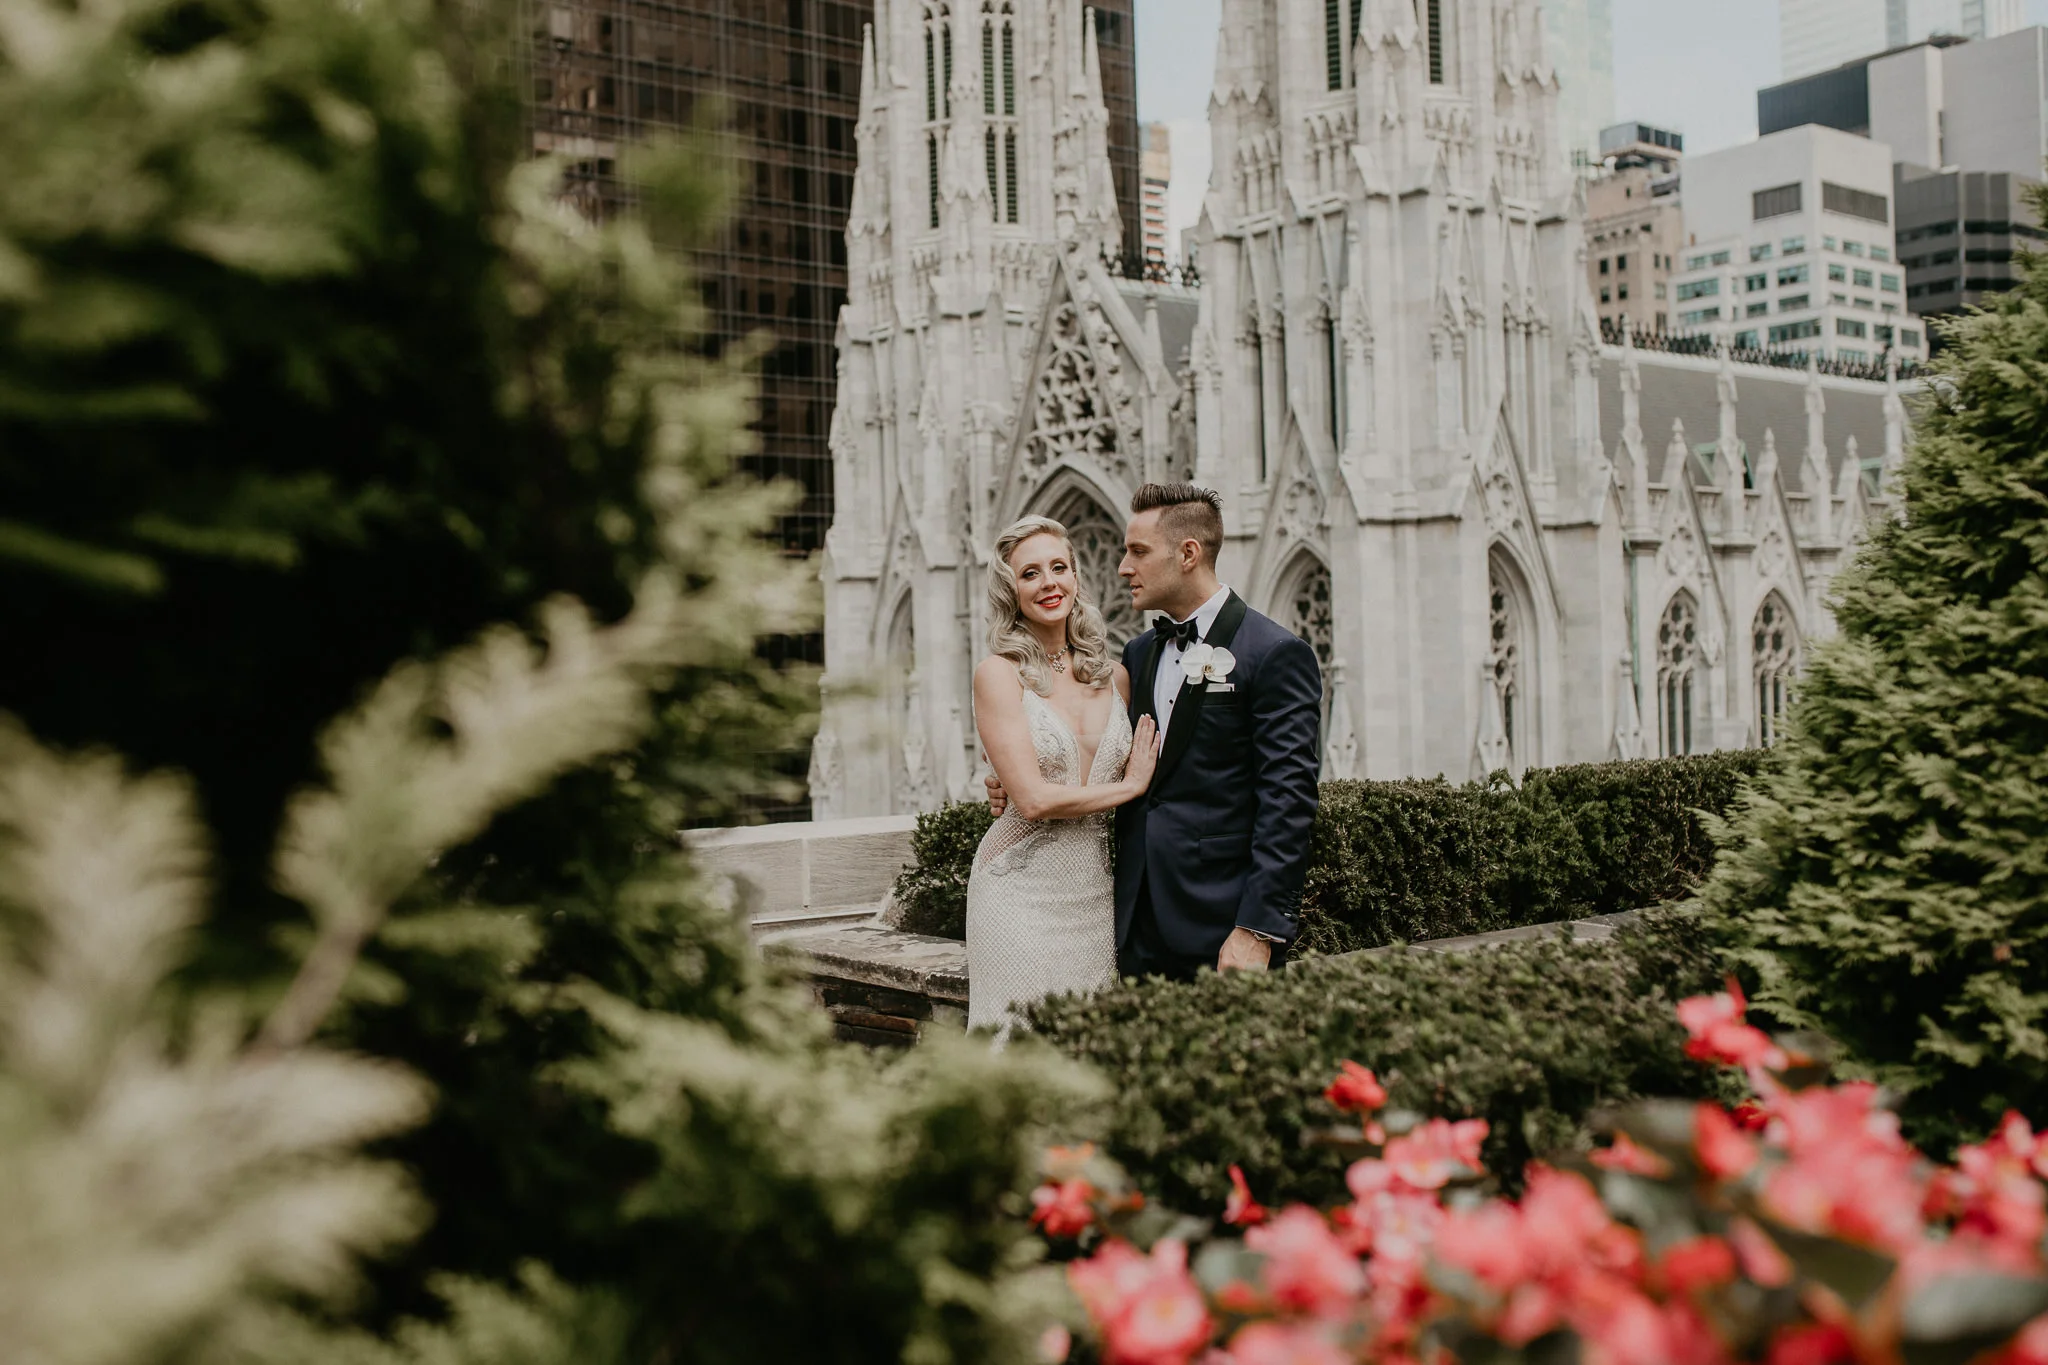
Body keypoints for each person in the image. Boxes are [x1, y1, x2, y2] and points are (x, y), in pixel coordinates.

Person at [987, 484, 1322, 979]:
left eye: (1138, 552)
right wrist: (1011, 778)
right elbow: (1105, 754)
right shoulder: (1139, 656)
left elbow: (1288, 800)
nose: (1123, 567)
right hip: (1127, 921)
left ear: (1188, 554)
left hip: (1221, 925)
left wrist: (1258, 929)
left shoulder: (1273, 652)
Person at [964, 515, 1160, 1040]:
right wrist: (1129, 786)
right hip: (1017, 891)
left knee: (1089, 1045)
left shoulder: (1115, 676)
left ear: (1076, 576)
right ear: (1011, 591)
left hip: (1094, 895)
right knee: (1017, 1043)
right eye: (1030, 574)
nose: (1049, 583)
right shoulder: (998, 674)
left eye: (1059, 567)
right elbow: (1030, 800)